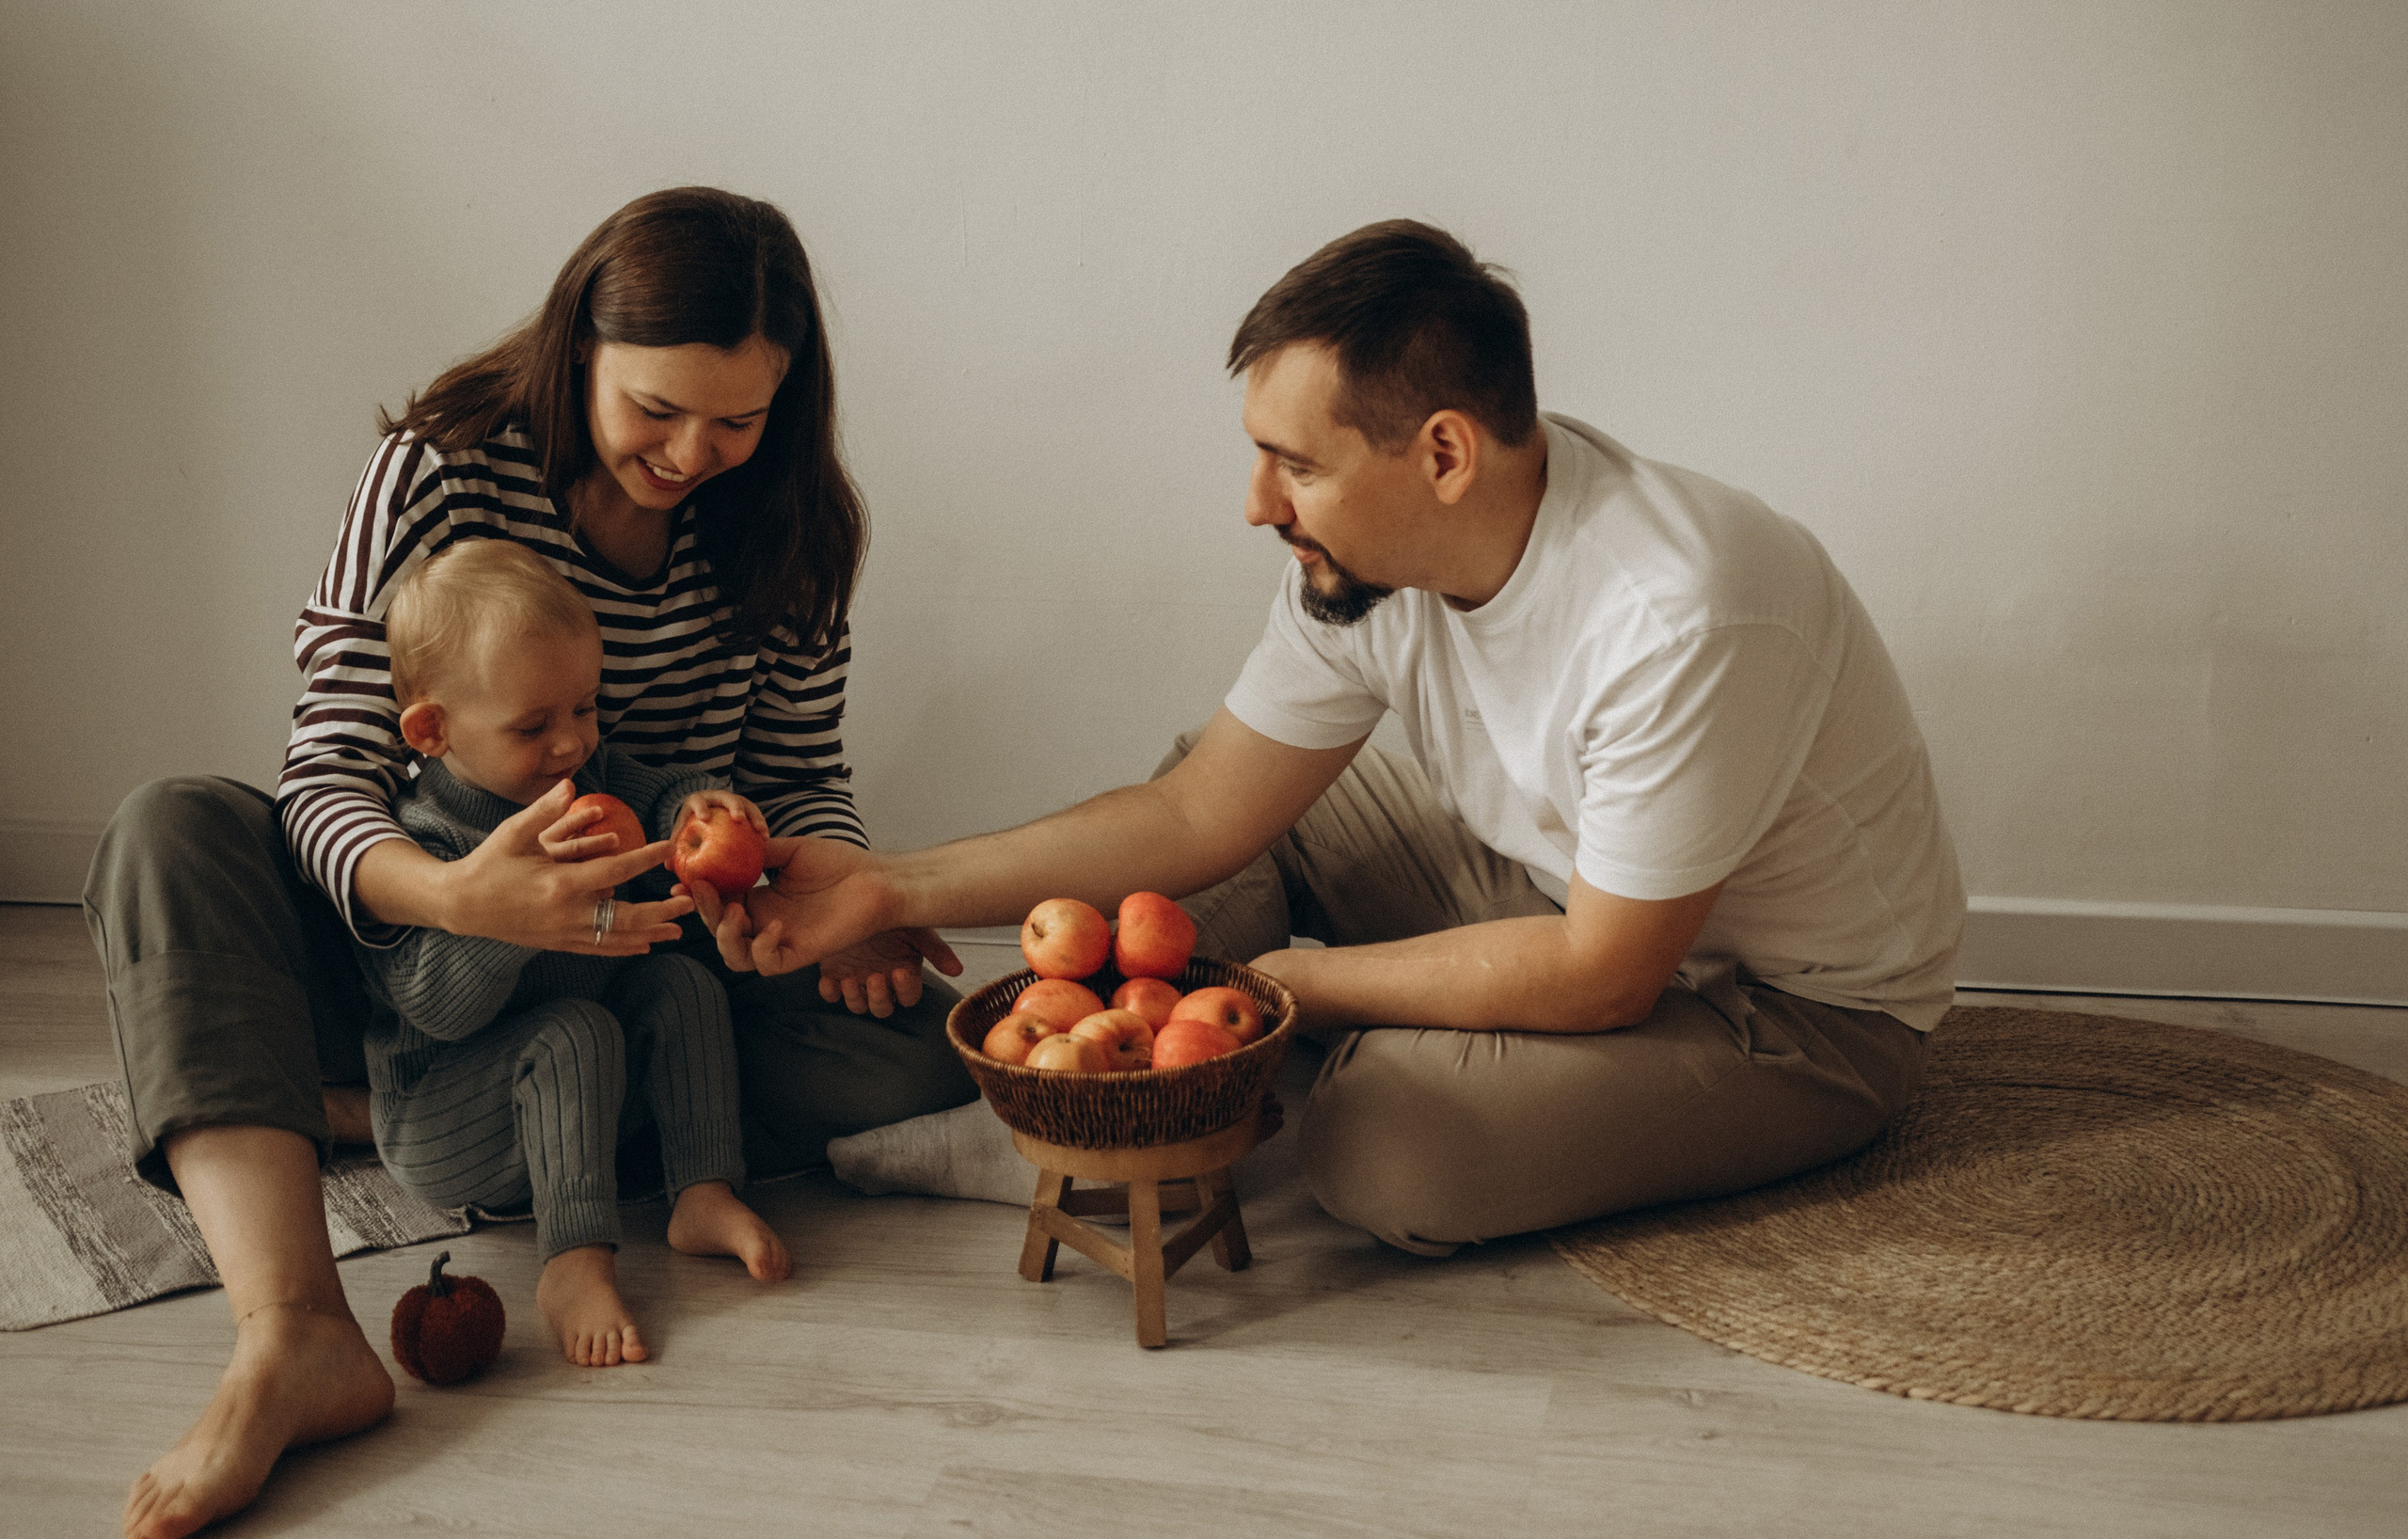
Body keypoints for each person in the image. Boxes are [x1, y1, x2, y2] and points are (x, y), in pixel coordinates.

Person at [795, 220, 1964, 1257]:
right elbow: (1198, 813)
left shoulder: (1679, 612)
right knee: (1208, 825)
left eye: (1296, 465)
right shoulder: (1364, 565)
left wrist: (1295, 986)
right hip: (1548, 887)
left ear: (1444, 455)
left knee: (1388, 1149)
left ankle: (1201, 1102)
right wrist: (896, 887)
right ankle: (1114, 1112)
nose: (1258, 503)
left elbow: (1605, 976)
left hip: (1783, 1014)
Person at [82, 187, 974, 1539]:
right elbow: (327, 763)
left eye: (739, 420)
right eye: (656, 410)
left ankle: (386, 1117)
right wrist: (451, 893)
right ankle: (297, 1328)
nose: (693, 452)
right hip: (409, 928)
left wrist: (827, 898)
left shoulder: (793, 529)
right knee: (169, 830)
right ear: (580, 354)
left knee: (922, 1045)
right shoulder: (442, 469)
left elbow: (797, 777)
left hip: (639, 956)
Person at [362, 540, 789, 1367]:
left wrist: (697, 804)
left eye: (585, 708)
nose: (571, 744)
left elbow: (655, 791)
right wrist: (514, 915)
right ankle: (572, 1260)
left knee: (677, 978)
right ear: (432, 728)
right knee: (573, 1034)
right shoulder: (426, 840)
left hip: (582, 1088)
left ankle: (702, 1191)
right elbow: (433, 1005)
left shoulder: (583, 770)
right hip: (445, 1114)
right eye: (534, 724)